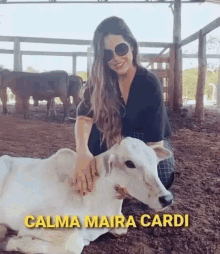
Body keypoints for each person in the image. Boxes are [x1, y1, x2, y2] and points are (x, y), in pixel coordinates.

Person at [72, 16, 174, 197]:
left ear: (132, 46)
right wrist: (82, 152)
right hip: (110, 136)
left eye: (121, 49)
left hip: (143, 141)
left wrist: (140, 174)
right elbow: (84, 119)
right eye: (108, 54)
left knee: (162, 176)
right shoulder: (100, 79)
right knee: (97, 173)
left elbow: (154, 142)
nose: (116, 59)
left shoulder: (149, 83)